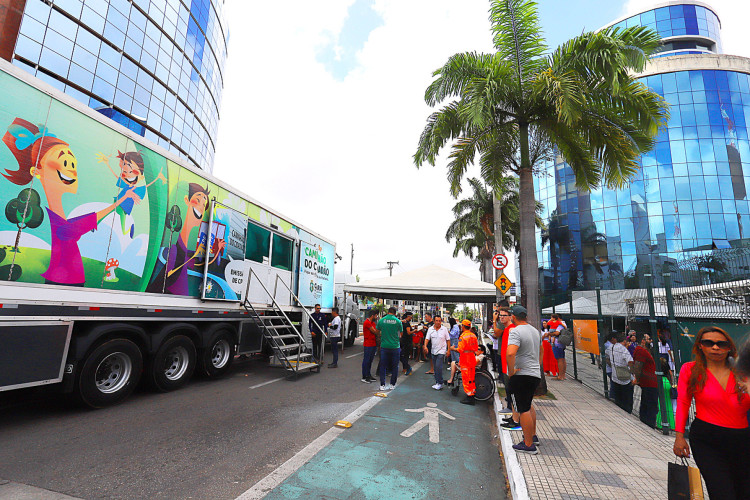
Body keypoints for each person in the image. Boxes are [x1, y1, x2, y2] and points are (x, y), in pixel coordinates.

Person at [673, 326, 750, 500]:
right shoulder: (690, 370)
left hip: (742, 440)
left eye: (721, 344)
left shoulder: (743, 372)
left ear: (729, 347)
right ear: (700, 346)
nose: (715, 348)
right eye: (709, 343)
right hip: (707, 439)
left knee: (744, 492)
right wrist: (679, 436)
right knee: (722, 492)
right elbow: (684, 402)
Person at [505, 305, 542, 455]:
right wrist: (536, 365)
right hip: (534, 373)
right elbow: (541, 350)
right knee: (528, 404)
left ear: (513, 317)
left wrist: (511, 370)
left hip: (521, 374)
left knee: (522, 408)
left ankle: (528, 444)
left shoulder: (515, 331)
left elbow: (510, 353)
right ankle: (532, 436)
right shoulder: (534, 331)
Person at [447, 319, 479, 405]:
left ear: (463, 327)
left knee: (466, 378)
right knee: (471, 378)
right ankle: (472, 394)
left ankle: (469, 397)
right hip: (472, 358)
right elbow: (476, 348)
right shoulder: (473, 336)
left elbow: (460, 349)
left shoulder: (463, 337)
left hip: (465, 359)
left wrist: (453, 349)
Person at [632, 333, 658, 428]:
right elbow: (637, 366)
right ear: (643, 341)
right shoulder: (641, 351)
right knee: (650, 405)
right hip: (649, 382)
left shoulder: (643, 351)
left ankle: (646, 422)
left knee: (646, 403)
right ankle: (649, 424)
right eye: (648, 339)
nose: (650, 341)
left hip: (648, 381)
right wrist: (637, 379)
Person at [606, 332, 634, 413]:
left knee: (618, 399)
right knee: (627, 400)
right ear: (624, 341)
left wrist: (613, 366)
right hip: (625, 379)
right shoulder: (623, 349)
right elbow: (630, 362)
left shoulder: (610, 347)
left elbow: (607, 358)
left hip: (615, 376)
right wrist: (632, 373)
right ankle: (627, 412)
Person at [376, 307, 403, 390]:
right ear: (395, 313)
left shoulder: (381, 320)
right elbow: (401, 335)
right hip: (395, 347)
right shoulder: (398, 321)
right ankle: (392, 384)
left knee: (383, 366)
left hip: (384, 346)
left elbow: (377, 332)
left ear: (388, 312)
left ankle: (382, 385)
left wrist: (383, 337)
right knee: (395, 366)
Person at [423, 315, 450, 390]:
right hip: (433, 351)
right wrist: (425, 346)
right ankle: (437, 382)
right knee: (435, 367)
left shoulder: (444, 329)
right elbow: (427, 339)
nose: (438, 322)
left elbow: (448, 340)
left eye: (439, 321)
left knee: (438, 367)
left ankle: (440, 382)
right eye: (437, 320)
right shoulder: (430, 329)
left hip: (441, 351)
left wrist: (448, 350)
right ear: (434, 321)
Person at [547, 313, 567, 380]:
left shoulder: (559, 324)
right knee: (562, 359)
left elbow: (557, 333)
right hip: (561, 343)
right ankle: (563, 375)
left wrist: (550, 333)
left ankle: (560, 376)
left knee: (560, 359)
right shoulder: (563, 323)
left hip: (557, 343)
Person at [361, 310, 379, 383]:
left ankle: (368, 375)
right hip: (368, 344)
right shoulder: (367, 322)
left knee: (370, 361)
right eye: (376, 315)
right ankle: (364, 376)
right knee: (366, 360)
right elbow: (375, 332)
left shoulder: (373, 323)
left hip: (373, 344)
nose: (376, 317)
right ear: (373, 315)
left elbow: (376, 331)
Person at [446, 317, 461, 386]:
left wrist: (448, 332)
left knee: (455, 353)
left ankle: (458, 364)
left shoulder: (455, 326)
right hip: (452, 340)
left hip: (454, 340)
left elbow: (453, 334)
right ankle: (453, 365)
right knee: (452, 353)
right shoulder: (453, 326)